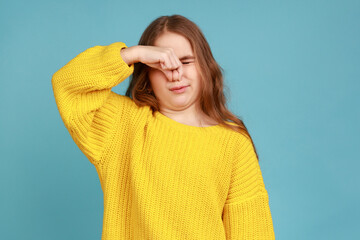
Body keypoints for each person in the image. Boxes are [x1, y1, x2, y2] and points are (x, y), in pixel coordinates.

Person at [52, 14, 275, 239]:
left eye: (186, 61)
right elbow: (67, 85)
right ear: (147, 73)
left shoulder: (233, 144)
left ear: (206, 67)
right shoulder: (122, 124)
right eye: (160, 65)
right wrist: (132, 53)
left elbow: (253, 232)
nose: (175, 73)